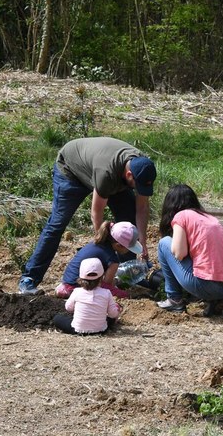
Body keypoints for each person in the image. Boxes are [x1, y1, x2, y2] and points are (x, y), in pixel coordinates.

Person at [18, 137, 156, 295]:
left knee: (128, 221)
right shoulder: (107, 173)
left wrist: (142, 242)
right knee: (57, 224)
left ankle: (127, 274)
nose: (138, 189)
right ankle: (29, 279)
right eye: (136, 186)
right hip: (71, 170)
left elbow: (142, 207)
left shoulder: (143, 168)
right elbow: (97, 213)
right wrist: (104, 248)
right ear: (129, 174)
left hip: (104, 171)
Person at [156, 184, 223, 314]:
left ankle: (174, 299)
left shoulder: (181, 216)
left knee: (164, 243)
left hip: (207, 287)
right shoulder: (210, 218)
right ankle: (215, 302)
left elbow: (179, 254)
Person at [54, 221, 144, 299]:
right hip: (77, 288)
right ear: (118, 245)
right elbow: (107, 287)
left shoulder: (96, 243)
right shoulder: (113, 260)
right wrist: (125, 295)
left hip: (67, 281)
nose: (129, 251)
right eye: (129, 248)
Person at [52, 258, 122, 335]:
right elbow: (113, 314)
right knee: (110, 319)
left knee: (57, 318)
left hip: (78, 330)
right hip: (101, 330)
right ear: (101, 277)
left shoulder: (77, 291)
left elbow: (68, 308)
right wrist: (116, 310)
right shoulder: (106, 293)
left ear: (81, 278)